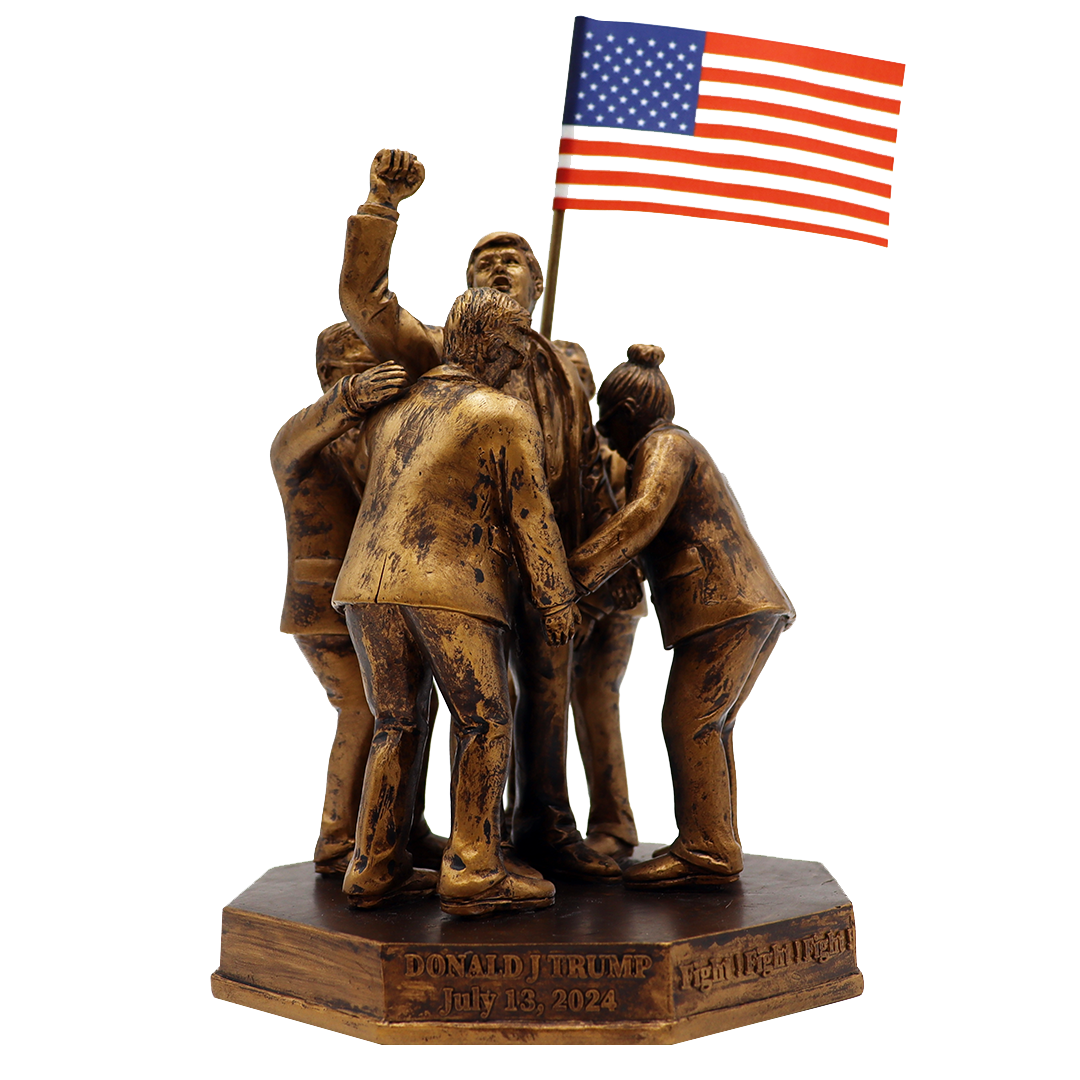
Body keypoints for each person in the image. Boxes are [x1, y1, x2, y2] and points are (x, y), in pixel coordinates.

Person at [335, 147, 634, 880]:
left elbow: (586, 460)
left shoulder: (563, 362)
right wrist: (381, 207)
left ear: (537, 282)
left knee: (546, 696)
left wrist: (591, 564)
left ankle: (544, 826)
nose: (499, 267)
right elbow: (366, 303)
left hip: (553, 555)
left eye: (514, 260)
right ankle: (465, 846)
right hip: (461, 561)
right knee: (468, 706)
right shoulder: (441, 351)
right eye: (484, 261)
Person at [333, 288, 580, 915]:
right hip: (447, 585)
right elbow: (530, 512)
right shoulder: (502, 412)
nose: (520, 356)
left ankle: (372, 866)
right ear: (490, 343)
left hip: (366, 585)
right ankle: (473, 869)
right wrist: (556, 599)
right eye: (515, 342)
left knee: (396, 721)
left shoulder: (395, 410)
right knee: (485, 720)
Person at [569, 345, 796, 889]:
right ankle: (715, 843)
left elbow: (642, 516)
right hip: (742, 605)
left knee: (688, 721)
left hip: (725, 604)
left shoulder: (664, 445)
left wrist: (574, 573)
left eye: (608, 419)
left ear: (627, 412)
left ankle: (706, 848)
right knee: (710, 724)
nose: (604, 432)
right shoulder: (673, 445)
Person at [270, 333, 442, 875]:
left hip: (378, 600)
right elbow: (289, 441)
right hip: (324, 608)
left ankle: (401, 828)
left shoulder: (374, 440)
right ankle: (339, 841)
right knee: (365, 709)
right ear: (329, 374)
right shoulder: (306, 445)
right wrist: (347, 398)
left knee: (414, 707)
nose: (382, 379)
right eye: (364, 369)